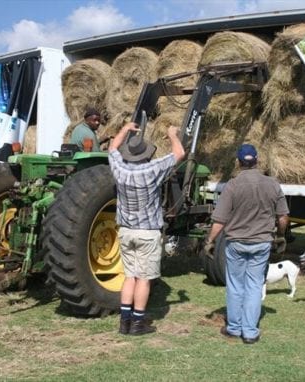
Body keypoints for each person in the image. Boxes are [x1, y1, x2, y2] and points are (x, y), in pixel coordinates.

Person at [203, 143, 289, 344]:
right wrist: (281, 235)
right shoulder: (272, 184)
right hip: (261, 243)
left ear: (238, 162)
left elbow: (220, 221)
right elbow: (283, 217)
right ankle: (250, 332)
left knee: (235, 285)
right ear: (257, 160)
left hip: (236, 243)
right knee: (254, 286)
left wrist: (210, 241)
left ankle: (234, 327)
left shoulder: (232, 185)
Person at [108, 122, 185, 335]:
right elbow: (179, 154)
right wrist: (171, 134)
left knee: (129, 276)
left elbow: (112, 149)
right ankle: (138, 322)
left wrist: (124, 130)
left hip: (126, 231)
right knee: (144, 278)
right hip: (147, 232)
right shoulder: (153, 169)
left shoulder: (119, 169)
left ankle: (124, 321)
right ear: (146, 154)